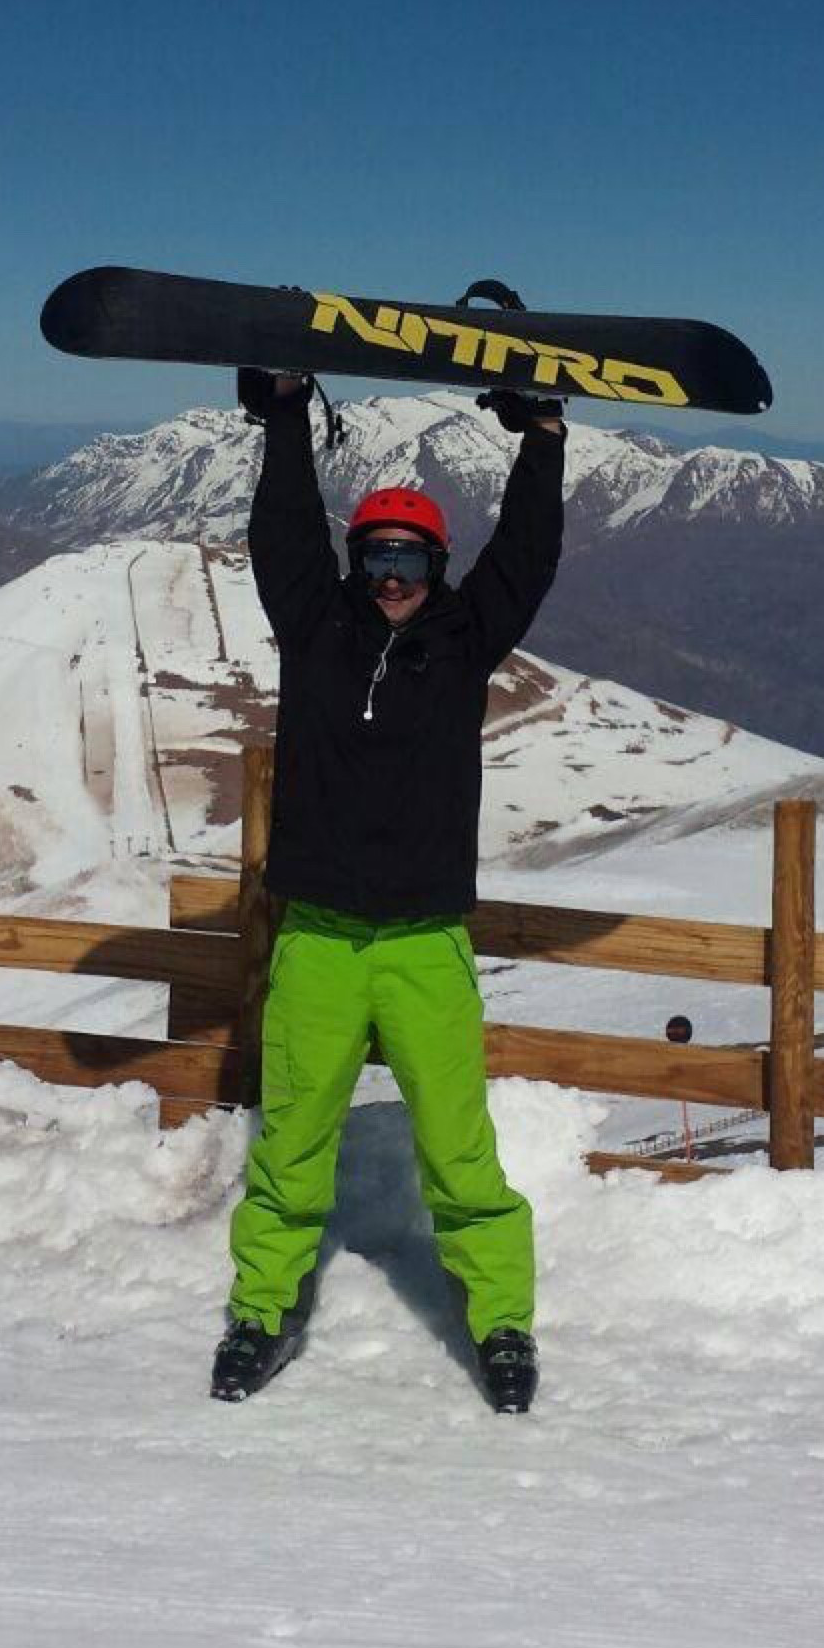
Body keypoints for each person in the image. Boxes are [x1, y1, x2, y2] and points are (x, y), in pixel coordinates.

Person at [212, 370, 567, 1411]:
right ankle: (262, 1313)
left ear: (437, 565)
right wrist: (286, 411)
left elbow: (527, 555)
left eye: (410, 557)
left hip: (423, 943)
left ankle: (501, 1323)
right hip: (318, 939)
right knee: (290, 1147)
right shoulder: (315, 628)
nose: (393, 576)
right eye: (376, 555)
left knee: (458, 1150)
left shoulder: (465, 641)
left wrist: (543, 437)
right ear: (356, 559)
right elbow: (283, 535)